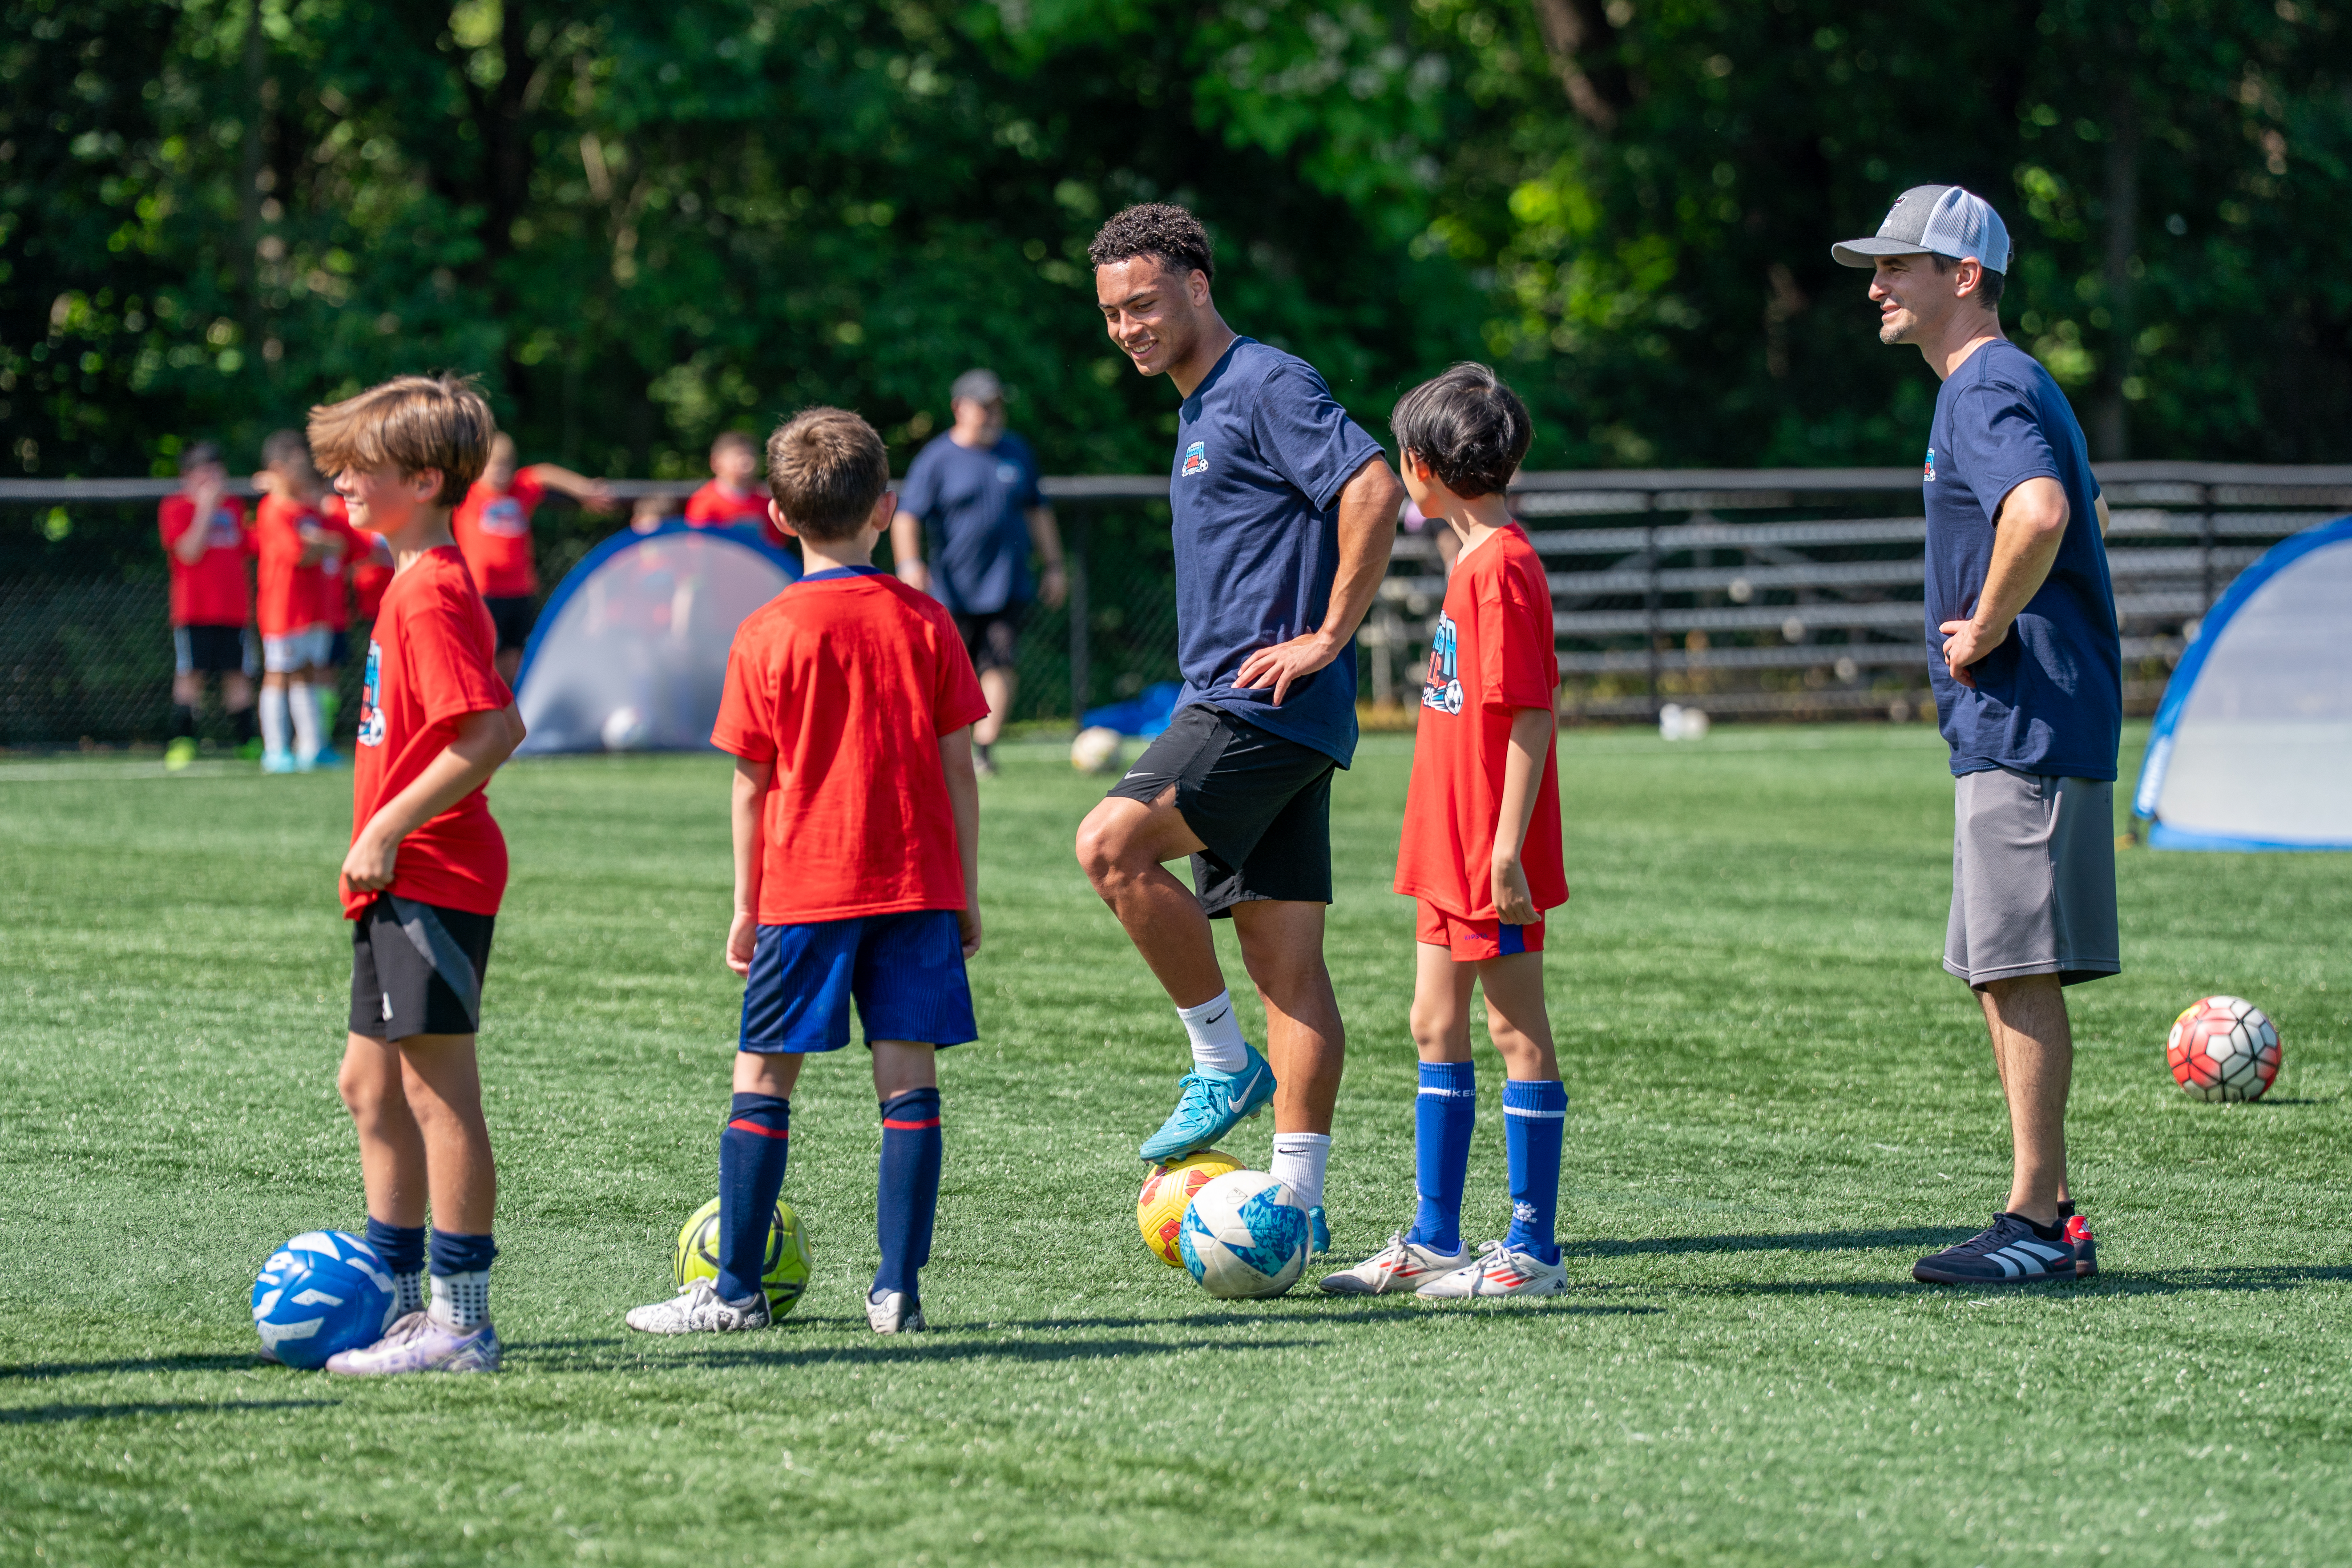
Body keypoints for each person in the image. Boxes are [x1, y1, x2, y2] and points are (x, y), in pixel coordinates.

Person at [1072, 203, 1405, 1247]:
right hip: (1271, 718)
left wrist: (1326, 635)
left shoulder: (1263, 382)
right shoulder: (1196, 406)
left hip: (1259, 708)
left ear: (1198, 285)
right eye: (1114, 313)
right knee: (1286, 965)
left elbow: (1373, 486)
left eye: (1144, 303)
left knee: (1111, 844)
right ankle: (1294, 1207)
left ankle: (1220, 1058)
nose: (1129, 325)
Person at [626, 407, 987, 1338]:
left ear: (777, 517)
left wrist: (747, 904)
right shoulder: (926, 618)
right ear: (886, 506)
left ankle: (736, 1290)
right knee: (908, 1082)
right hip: (917, 885)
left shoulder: (767, 631)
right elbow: (958, 768)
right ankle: (897, 1288)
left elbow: (750, 788)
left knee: (763, 1078)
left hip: (806, 888)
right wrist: (966, 888)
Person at [1832, 185, 2120, 1286]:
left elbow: (2043, 512)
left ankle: (2038, 1224)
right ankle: (2044, 1210)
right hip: (2027, 714)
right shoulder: (2013, 380)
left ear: (1963, 278)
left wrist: (1989, 625)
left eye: (1898, 267)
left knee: (2017, 965)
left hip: (2026, 715)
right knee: (2000, 967)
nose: (1876, 287)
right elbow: (2081, 513)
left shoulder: (1983, 383)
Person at [1319, 364, 1570, 1300]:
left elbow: (1531, 715)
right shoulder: (1472, 562)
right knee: (1433, 1022)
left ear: (1418, 467)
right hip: (1446, 840)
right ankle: (1433, 1235)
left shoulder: (1502, 566)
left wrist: (1506, 850)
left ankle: (1532, 1248)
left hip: (1487, 850)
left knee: (1515, 1029)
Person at [306, 373, 525, 1375]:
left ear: (427, 478)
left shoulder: (432, 587)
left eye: (364, 468)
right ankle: (393, 1303)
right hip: (399, 876)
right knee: (369, 1084)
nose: (342, 483)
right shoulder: (406, 581)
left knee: (438, 1093)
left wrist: (388, 825)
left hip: (434, 871)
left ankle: (459, 1321)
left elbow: (492, 729)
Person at [891, 368, 1068, 776]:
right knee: (948, 674)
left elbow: (1037, 512)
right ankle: (936, 749)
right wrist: (909, 564)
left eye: (997, 406)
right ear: (959, 408)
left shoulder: (1016, 451)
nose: (992, 414)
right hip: (950, 589)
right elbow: (907, 516)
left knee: (1001, 661)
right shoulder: (937, 458)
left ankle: (984, 750)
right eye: (983, 406)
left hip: (1008, 583)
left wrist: (1055, 566)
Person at [452, 432, 613, 687]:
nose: (500, 472)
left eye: (506, 465)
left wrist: (584, 489)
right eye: (493, 465)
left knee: (513, 659)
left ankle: (510, 712)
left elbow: (545, 472)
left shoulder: (520, 490)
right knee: (483, 657)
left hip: (519, 590)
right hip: (484, 592)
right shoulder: (468, 494)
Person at [157, 441, 258, 769]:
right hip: (194, 610)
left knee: (237, 675)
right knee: (191, 675)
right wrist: (204, 509)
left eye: (217, 469)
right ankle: (183, 741)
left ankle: (248, 741)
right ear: (188, 475)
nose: (213, 477)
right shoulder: (176, 507)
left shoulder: (234, 506)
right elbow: (188, 551)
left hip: (233, 610)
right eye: (204, 470)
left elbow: (248, 548)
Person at [252, 429, 339, 772]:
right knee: (278, 673)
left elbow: (340, 544)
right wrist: (320, 543)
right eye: (295, 463)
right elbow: (299, 553)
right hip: (282, 609)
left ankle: (312, 747)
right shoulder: (273, 509)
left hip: (312, 608)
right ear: (277, 468)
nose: (303, 469)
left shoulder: (307, 509)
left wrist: (319, 541)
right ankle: (275, 750)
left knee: (308, 673)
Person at [685, 431, 784, 547]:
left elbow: (776, 545)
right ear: (716, 462)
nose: (746, 461)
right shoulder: (704, 502)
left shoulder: (766, 500)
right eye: (738, 455)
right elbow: (697, 546)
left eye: (751, 455)